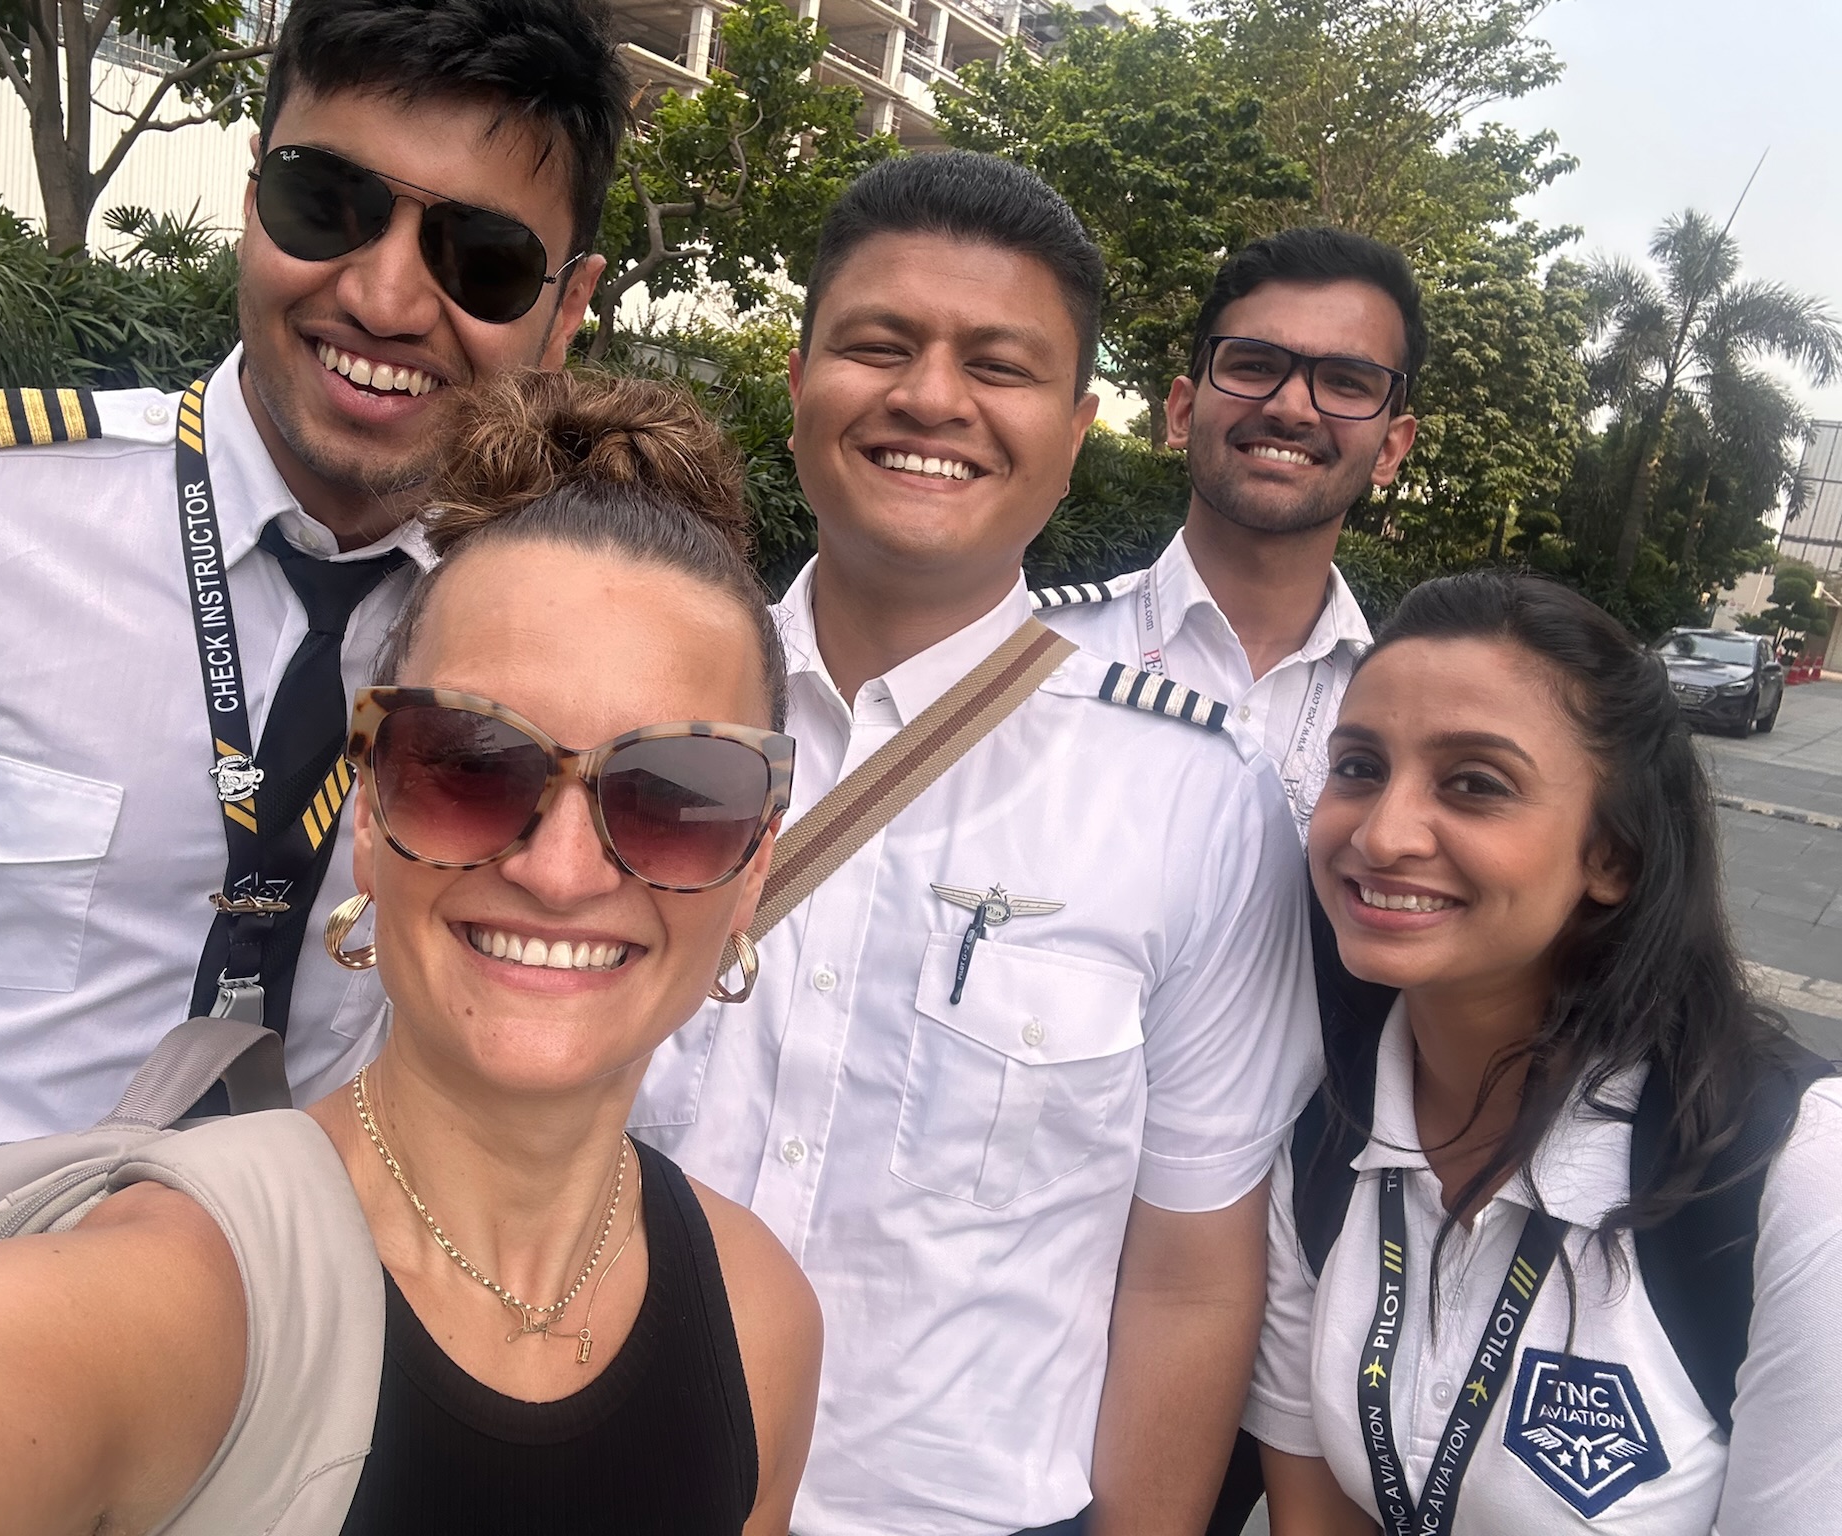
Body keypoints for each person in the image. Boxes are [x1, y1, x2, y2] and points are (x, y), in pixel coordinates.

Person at [0, 369, 824, 1535]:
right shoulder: (164, 1303)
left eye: (674, 793)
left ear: (752, 863)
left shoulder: (759, 1320)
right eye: (473, 765)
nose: (561, 870)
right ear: (372, 827)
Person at [0, 0, 630, 1288]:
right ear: (251, 193)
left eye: (483, 257)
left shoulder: (540, 627)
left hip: (292, 1369)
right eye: (325, 201)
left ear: (565, 310)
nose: (386, 296)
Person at [631, 152, 1320, 1536]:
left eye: (998, 366)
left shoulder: (1195, 794)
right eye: (877, 346)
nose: (930, 398)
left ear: (1075, 434)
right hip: (586, 1486)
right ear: (798, 383)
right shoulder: (631, 717)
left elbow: (1189, 1270)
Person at [1245, 571, 1842, 1533]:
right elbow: (1310, 1508)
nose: (1383, 833)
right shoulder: (1315, 1128)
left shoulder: (1794, 1180)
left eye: (1475, 783)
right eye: (1358, 767)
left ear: (1614, 854)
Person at [1035, 228, 1422, 839]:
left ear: (1390, 450)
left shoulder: (1410, 722)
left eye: (1347, 381)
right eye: (1254, 365)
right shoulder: (1024, 660)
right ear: (1182, 411)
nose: (1292, 409)